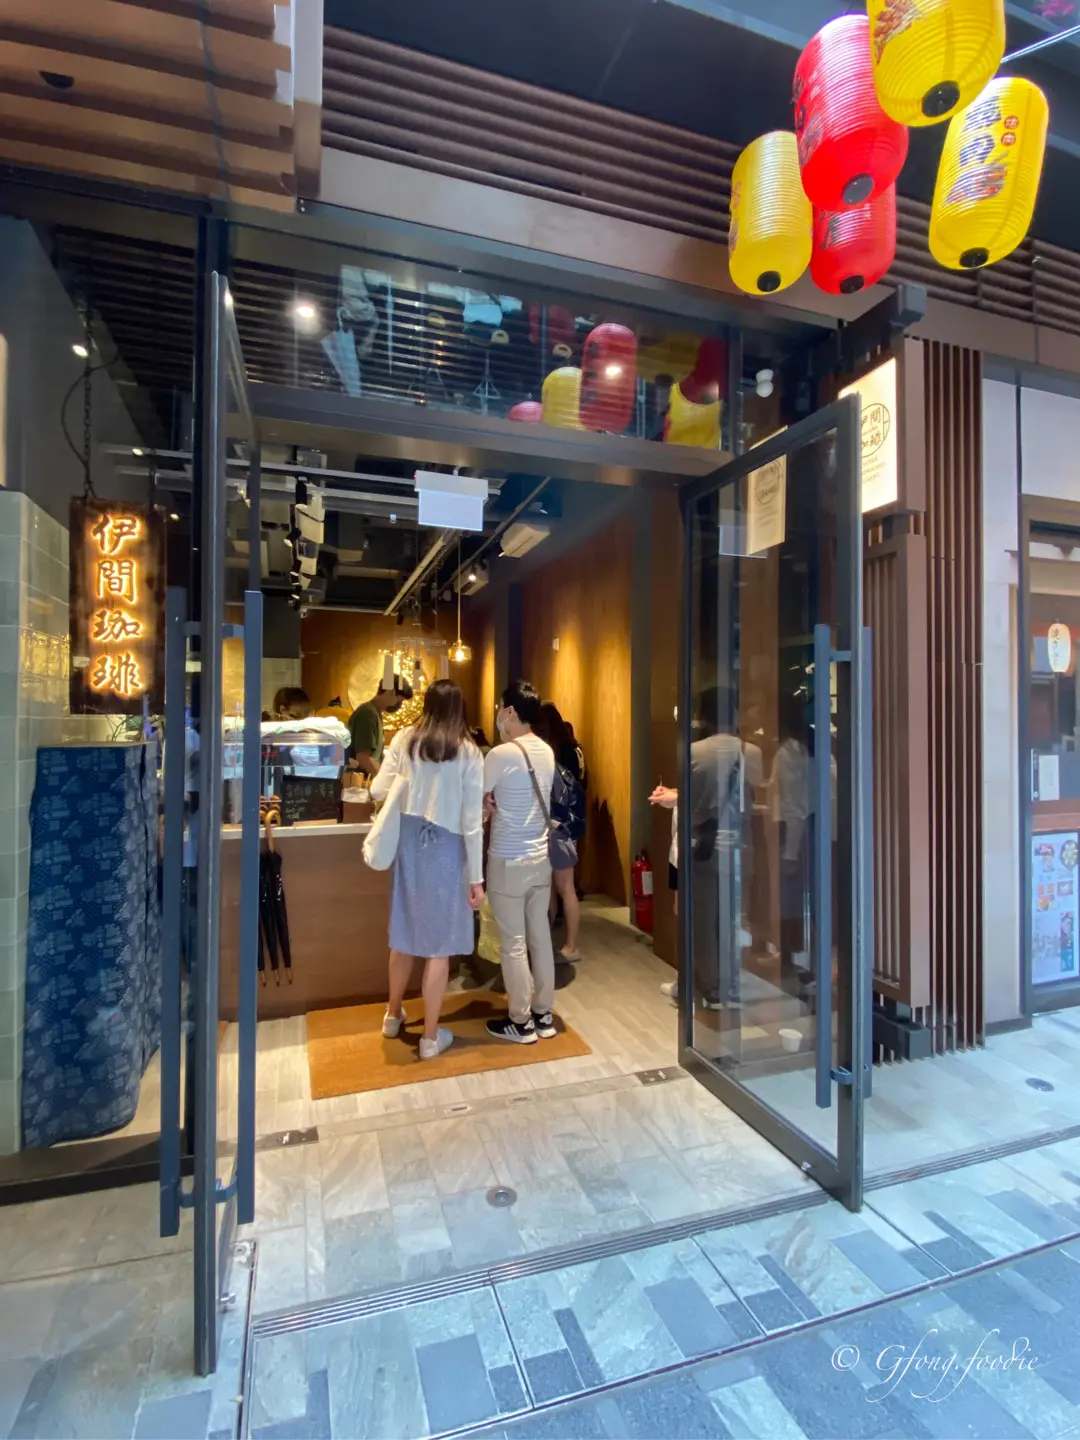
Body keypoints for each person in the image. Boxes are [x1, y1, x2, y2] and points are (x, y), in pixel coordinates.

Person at [371, 679, 484, 1060]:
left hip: (409, 844)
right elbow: (472, 822)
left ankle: (392, 1016)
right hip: (448, 849)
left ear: (427, 704)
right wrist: (477, 878)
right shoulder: (469, 751)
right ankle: (431, 1038)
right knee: (439, 946)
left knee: (403, 933)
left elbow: (376, 791)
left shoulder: (405, 739)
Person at [483, 681, 558, 1044]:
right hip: (540, 859)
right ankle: (544, 1014)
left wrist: (487, 804)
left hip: (508, 859)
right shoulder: (546, 751)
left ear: (510, 711)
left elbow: (476, 800)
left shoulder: (500, 755)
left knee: (513, 942)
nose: (498, 714)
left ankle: (521, 1021)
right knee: (540, 937)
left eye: (500, 707)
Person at [535, 702, 584, 962]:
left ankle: (564, 946)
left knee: (556, 888)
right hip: (566, 828)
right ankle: (567, 945)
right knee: (564, 888)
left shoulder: (547, 753)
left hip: (552, 826)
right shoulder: (572, 750)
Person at [346, 676, 412, 778]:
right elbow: (363, 758)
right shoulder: (367, 714)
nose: (399, 706)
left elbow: (375, 755)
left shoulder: (375, 714)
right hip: (358, 780)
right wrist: (383, 780)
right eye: (400, 701)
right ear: (391, 692)